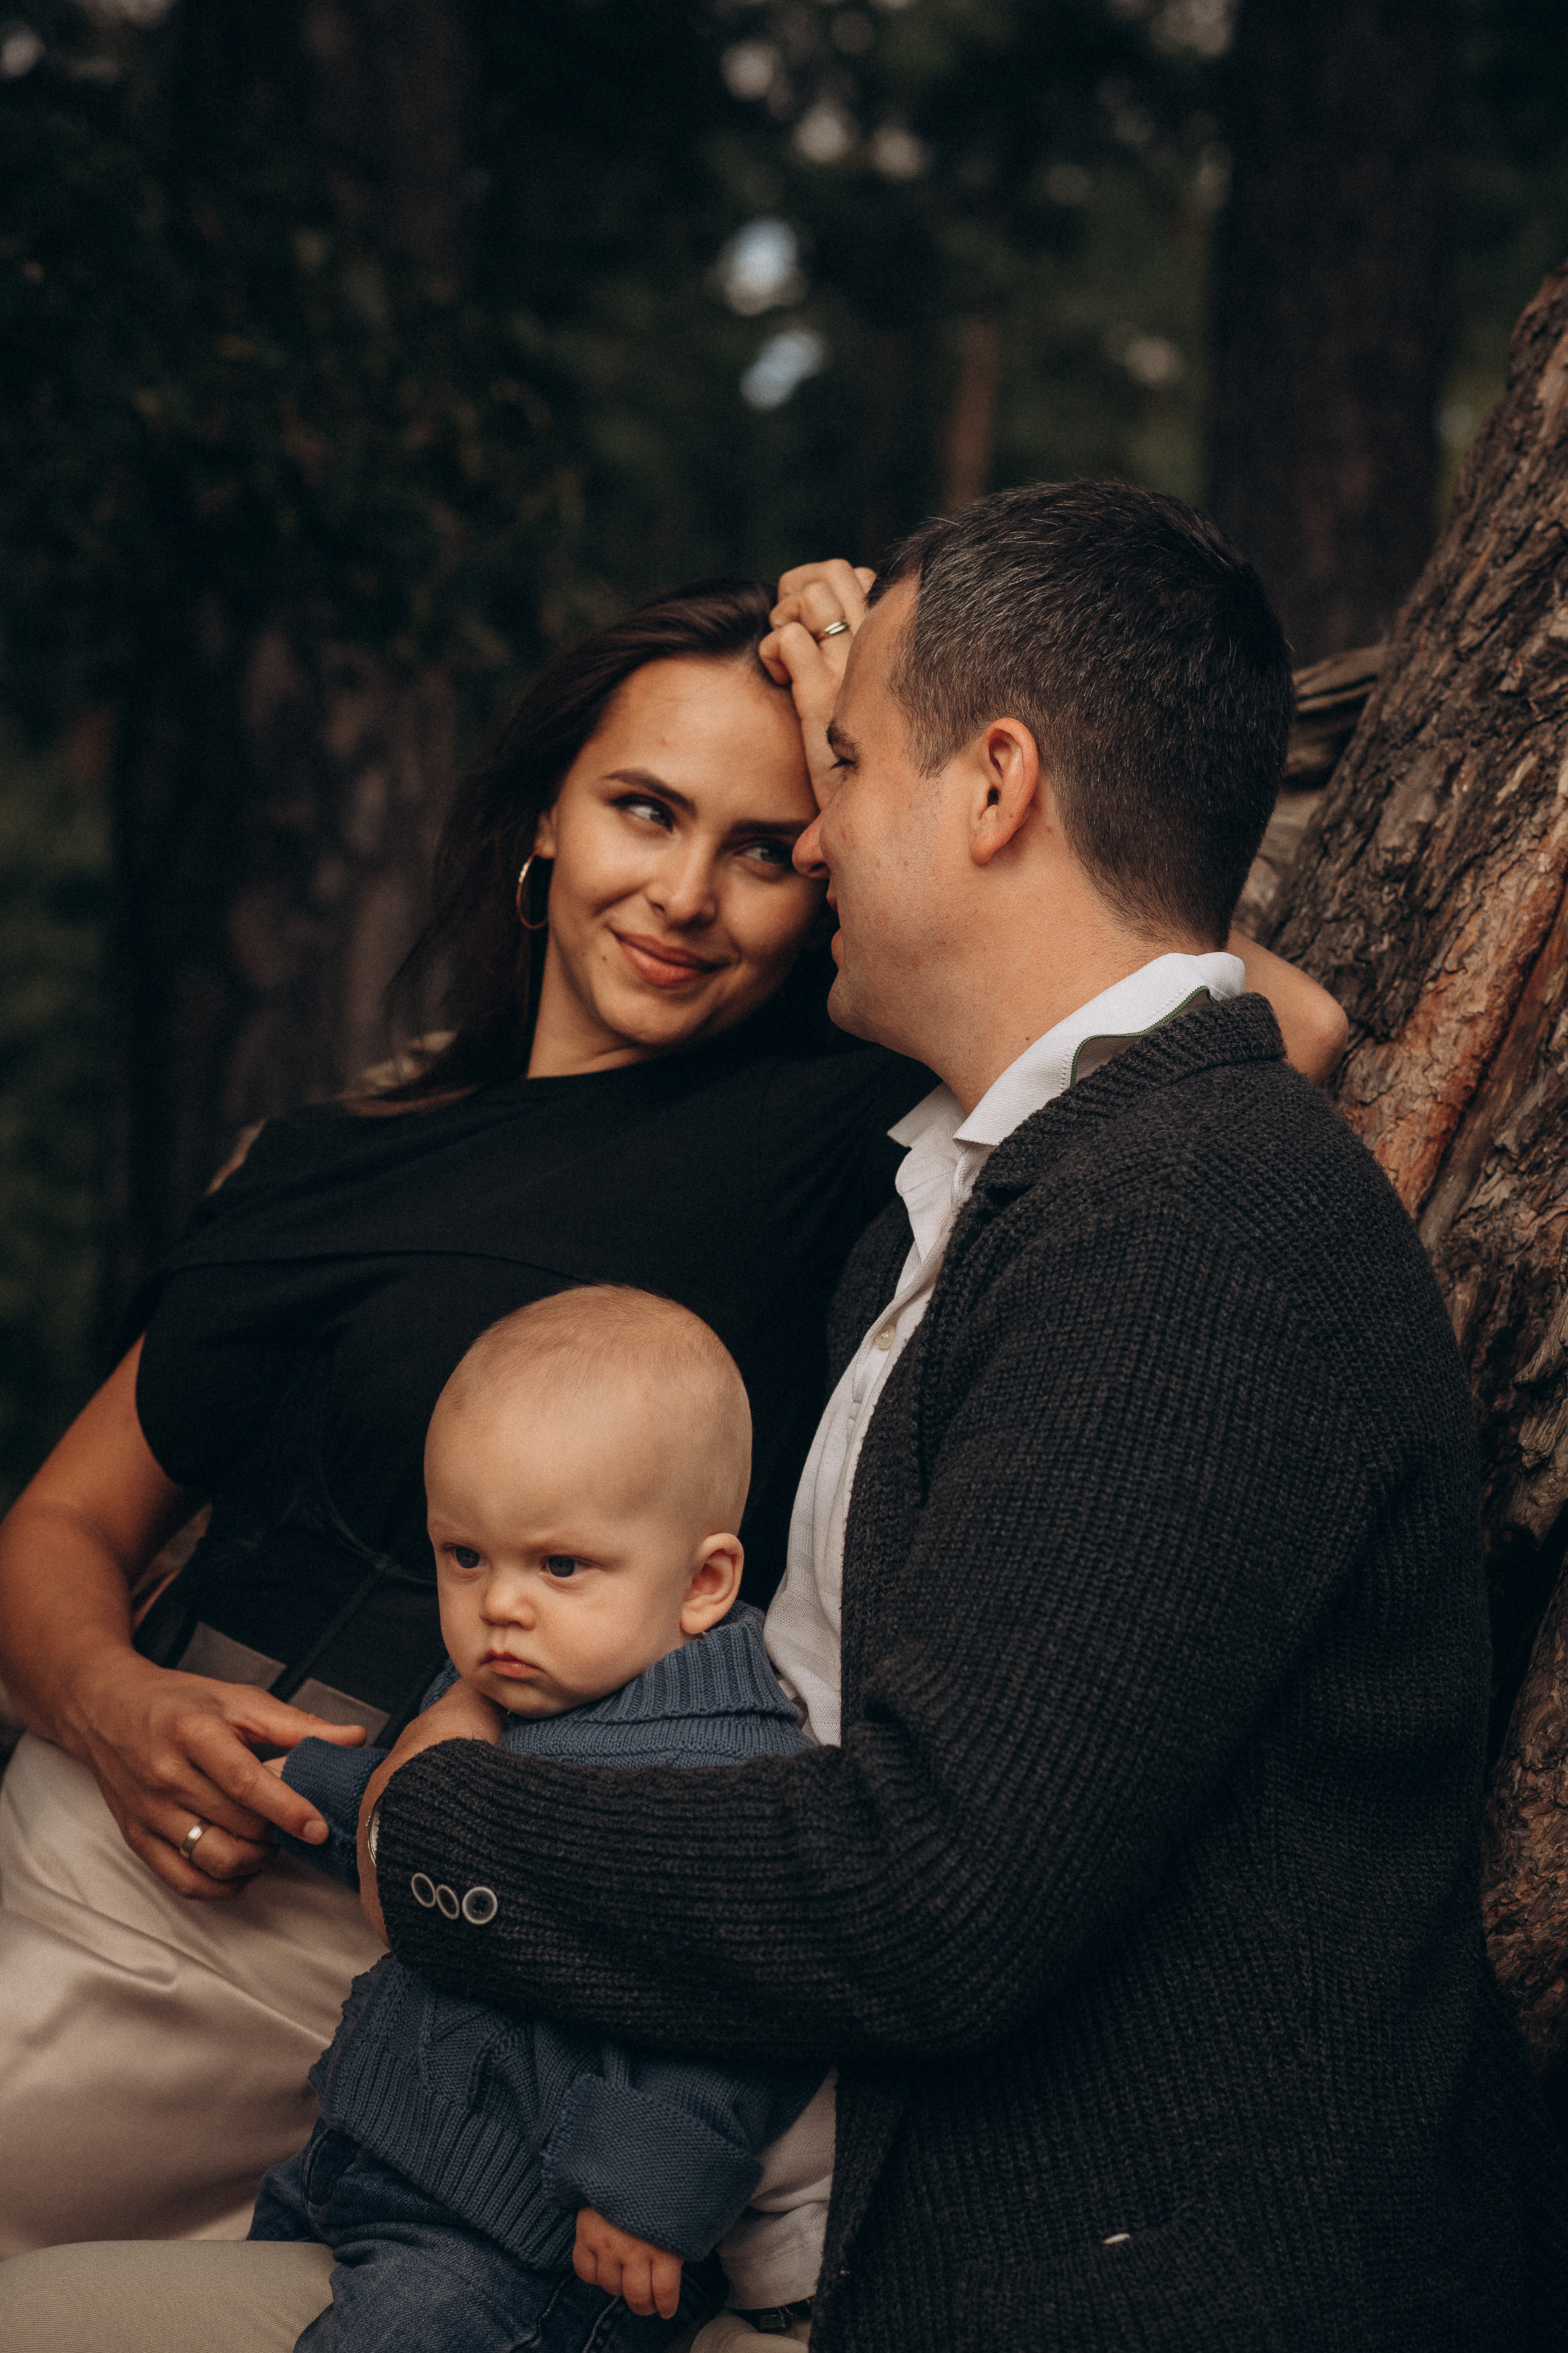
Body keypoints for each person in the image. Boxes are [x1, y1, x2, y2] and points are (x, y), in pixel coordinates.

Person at [303, 485, 1564, 2348]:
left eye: (844, 766)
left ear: (993, 787)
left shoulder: (1194, 1222)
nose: (810, 839)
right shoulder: (995, 1189)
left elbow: (931, 1894)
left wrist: (447, 1835)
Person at [0, 555, 1343, 2275]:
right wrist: (107, 1699)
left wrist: (874, 697)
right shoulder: (333, 1156)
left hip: (492, 1953)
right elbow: (63, 1524)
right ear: (544, 821)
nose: (688, 895)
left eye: (771, 847)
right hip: (129, 1869)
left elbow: (1277, 1019)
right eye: (645, 809)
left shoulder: (848, 1125)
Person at [251, 1285, 825, 2353]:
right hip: (365, 2153)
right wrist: (303, 1792)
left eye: (560, 1565)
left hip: (529, 2245)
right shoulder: (532, 1688)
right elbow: (436, 1847)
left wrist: (645, 2182)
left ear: (703, 1582)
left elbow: (743, 1995)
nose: (499, 1606)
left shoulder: (726, 1772)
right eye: (464, 1556)